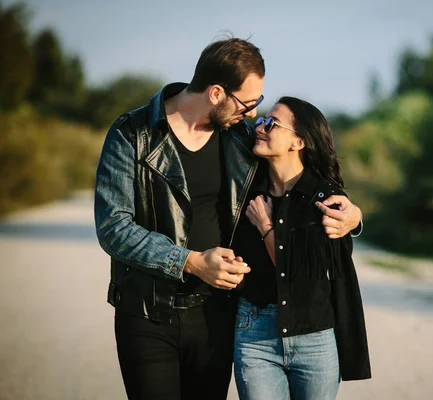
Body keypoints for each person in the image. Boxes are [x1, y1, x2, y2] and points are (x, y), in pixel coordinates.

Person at [94, 37, 364, 400]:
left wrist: (353, 214)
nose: (254, 115)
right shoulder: (131, 134)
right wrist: (189, 262)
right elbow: (114, 228)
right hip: (147, 312)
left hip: (217, 313)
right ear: (216, 93)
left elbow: (302, 168)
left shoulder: (239, 136)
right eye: (248, 103)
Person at [231, 96, 371, 400]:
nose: (260, 127)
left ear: (298, 142)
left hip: (314, 336)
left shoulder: (325, 197)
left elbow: (297, 273)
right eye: (261, 120)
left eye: (272, 123)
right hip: (255, 331)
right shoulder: (244, 192)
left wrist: (266, 227)